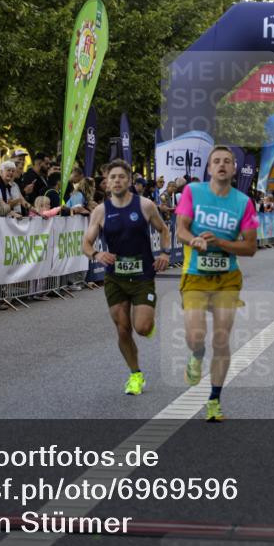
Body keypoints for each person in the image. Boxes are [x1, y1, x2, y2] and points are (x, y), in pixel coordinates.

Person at [175, 147, 259, 422]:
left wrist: (220, 243)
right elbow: (181, 229)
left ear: (234, 169)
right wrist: (194, 241)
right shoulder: (193, 192)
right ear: (209, 169)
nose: (222, 165)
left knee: (221, 338)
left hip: (227, 278)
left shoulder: (244, 203)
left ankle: (214, 400)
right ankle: (196, 355)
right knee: (195, 336)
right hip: (196, 274)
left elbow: (250, 248)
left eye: (227, 162)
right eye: (216, 161)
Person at [81, 159, 171, 396]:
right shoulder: (100, 211)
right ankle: (135, 375)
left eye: (122, 177)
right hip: (115, 278)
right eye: (113, 178)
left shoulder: (145, 205)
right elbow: (86, 243)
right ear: (106, 183)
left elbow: (163, 230)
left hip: (142, 275)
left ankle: (147, 323)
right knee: (123, 329)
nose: (117, 181)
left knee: (141, 328)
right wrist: (97, 254)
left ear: (130, 181)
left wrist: (164, 252)